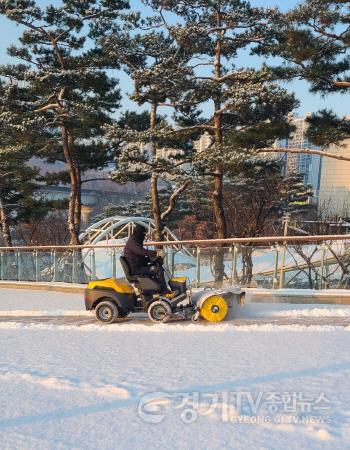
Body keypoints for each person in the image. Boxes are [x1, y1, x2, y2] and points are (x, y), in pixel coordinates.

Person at [123, 224, 168, 292]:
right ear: (139, 232)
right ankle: (164, 291)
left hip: (138, 266)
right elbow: (140, 251)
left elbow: (139, 257)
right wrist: (156, 253)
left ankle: (157, 289)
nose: (144, 235)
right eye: (143, 233)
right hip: (136, 269)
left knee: (156, 266)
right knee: (158, 269)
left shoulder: (136, 240)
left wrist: (150, 259)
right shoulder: (132, 241)